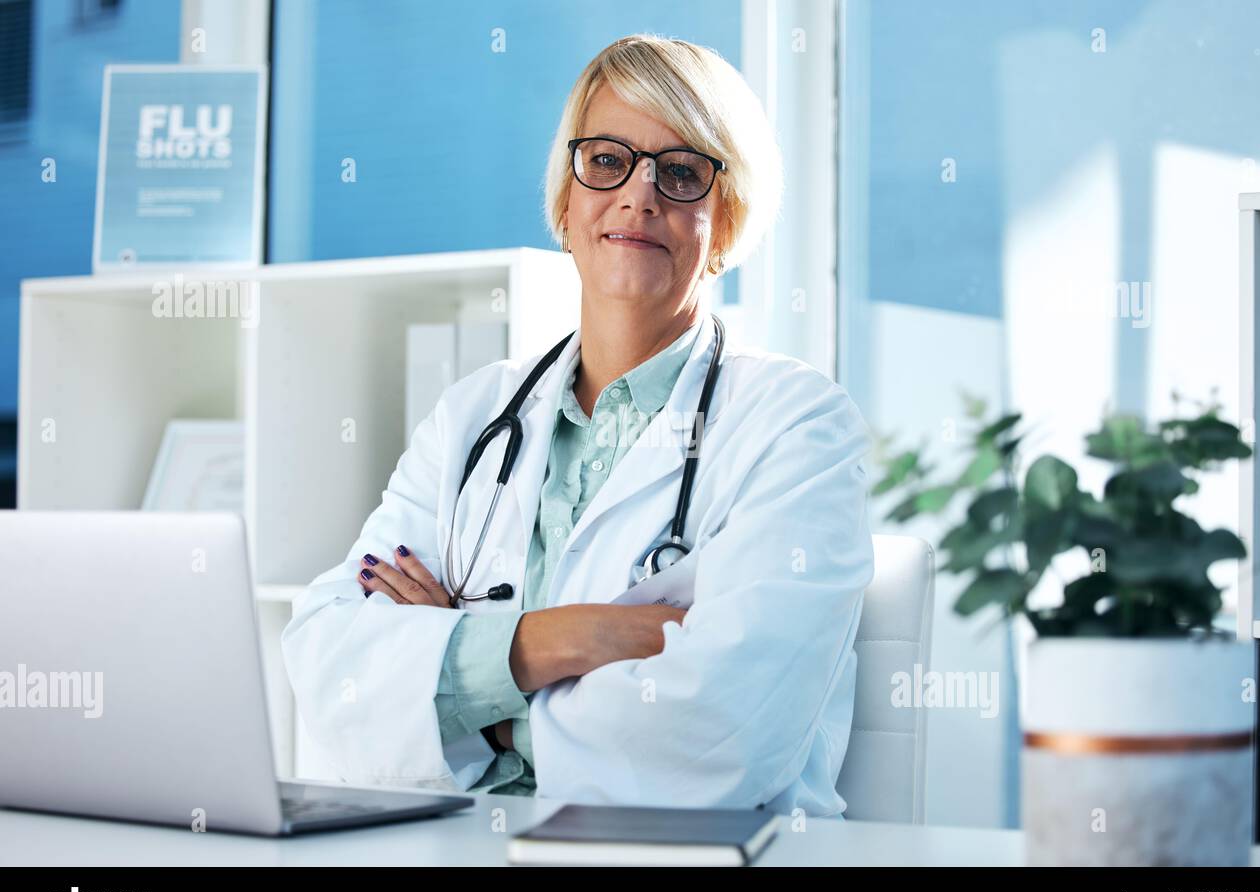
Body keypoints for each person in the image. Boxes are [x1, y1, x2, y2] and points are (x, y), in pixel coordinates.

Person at [281, 33, 875, 818]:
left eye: (682, 171)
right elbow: (331, 667)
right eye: (606, 162)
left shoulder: (798, 427)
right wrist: (570, 638)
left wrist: (465, 679)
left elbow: (719, 738)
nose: (640, 195)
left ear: (725, 222)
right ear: (566, 202)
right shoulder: (473, 418)